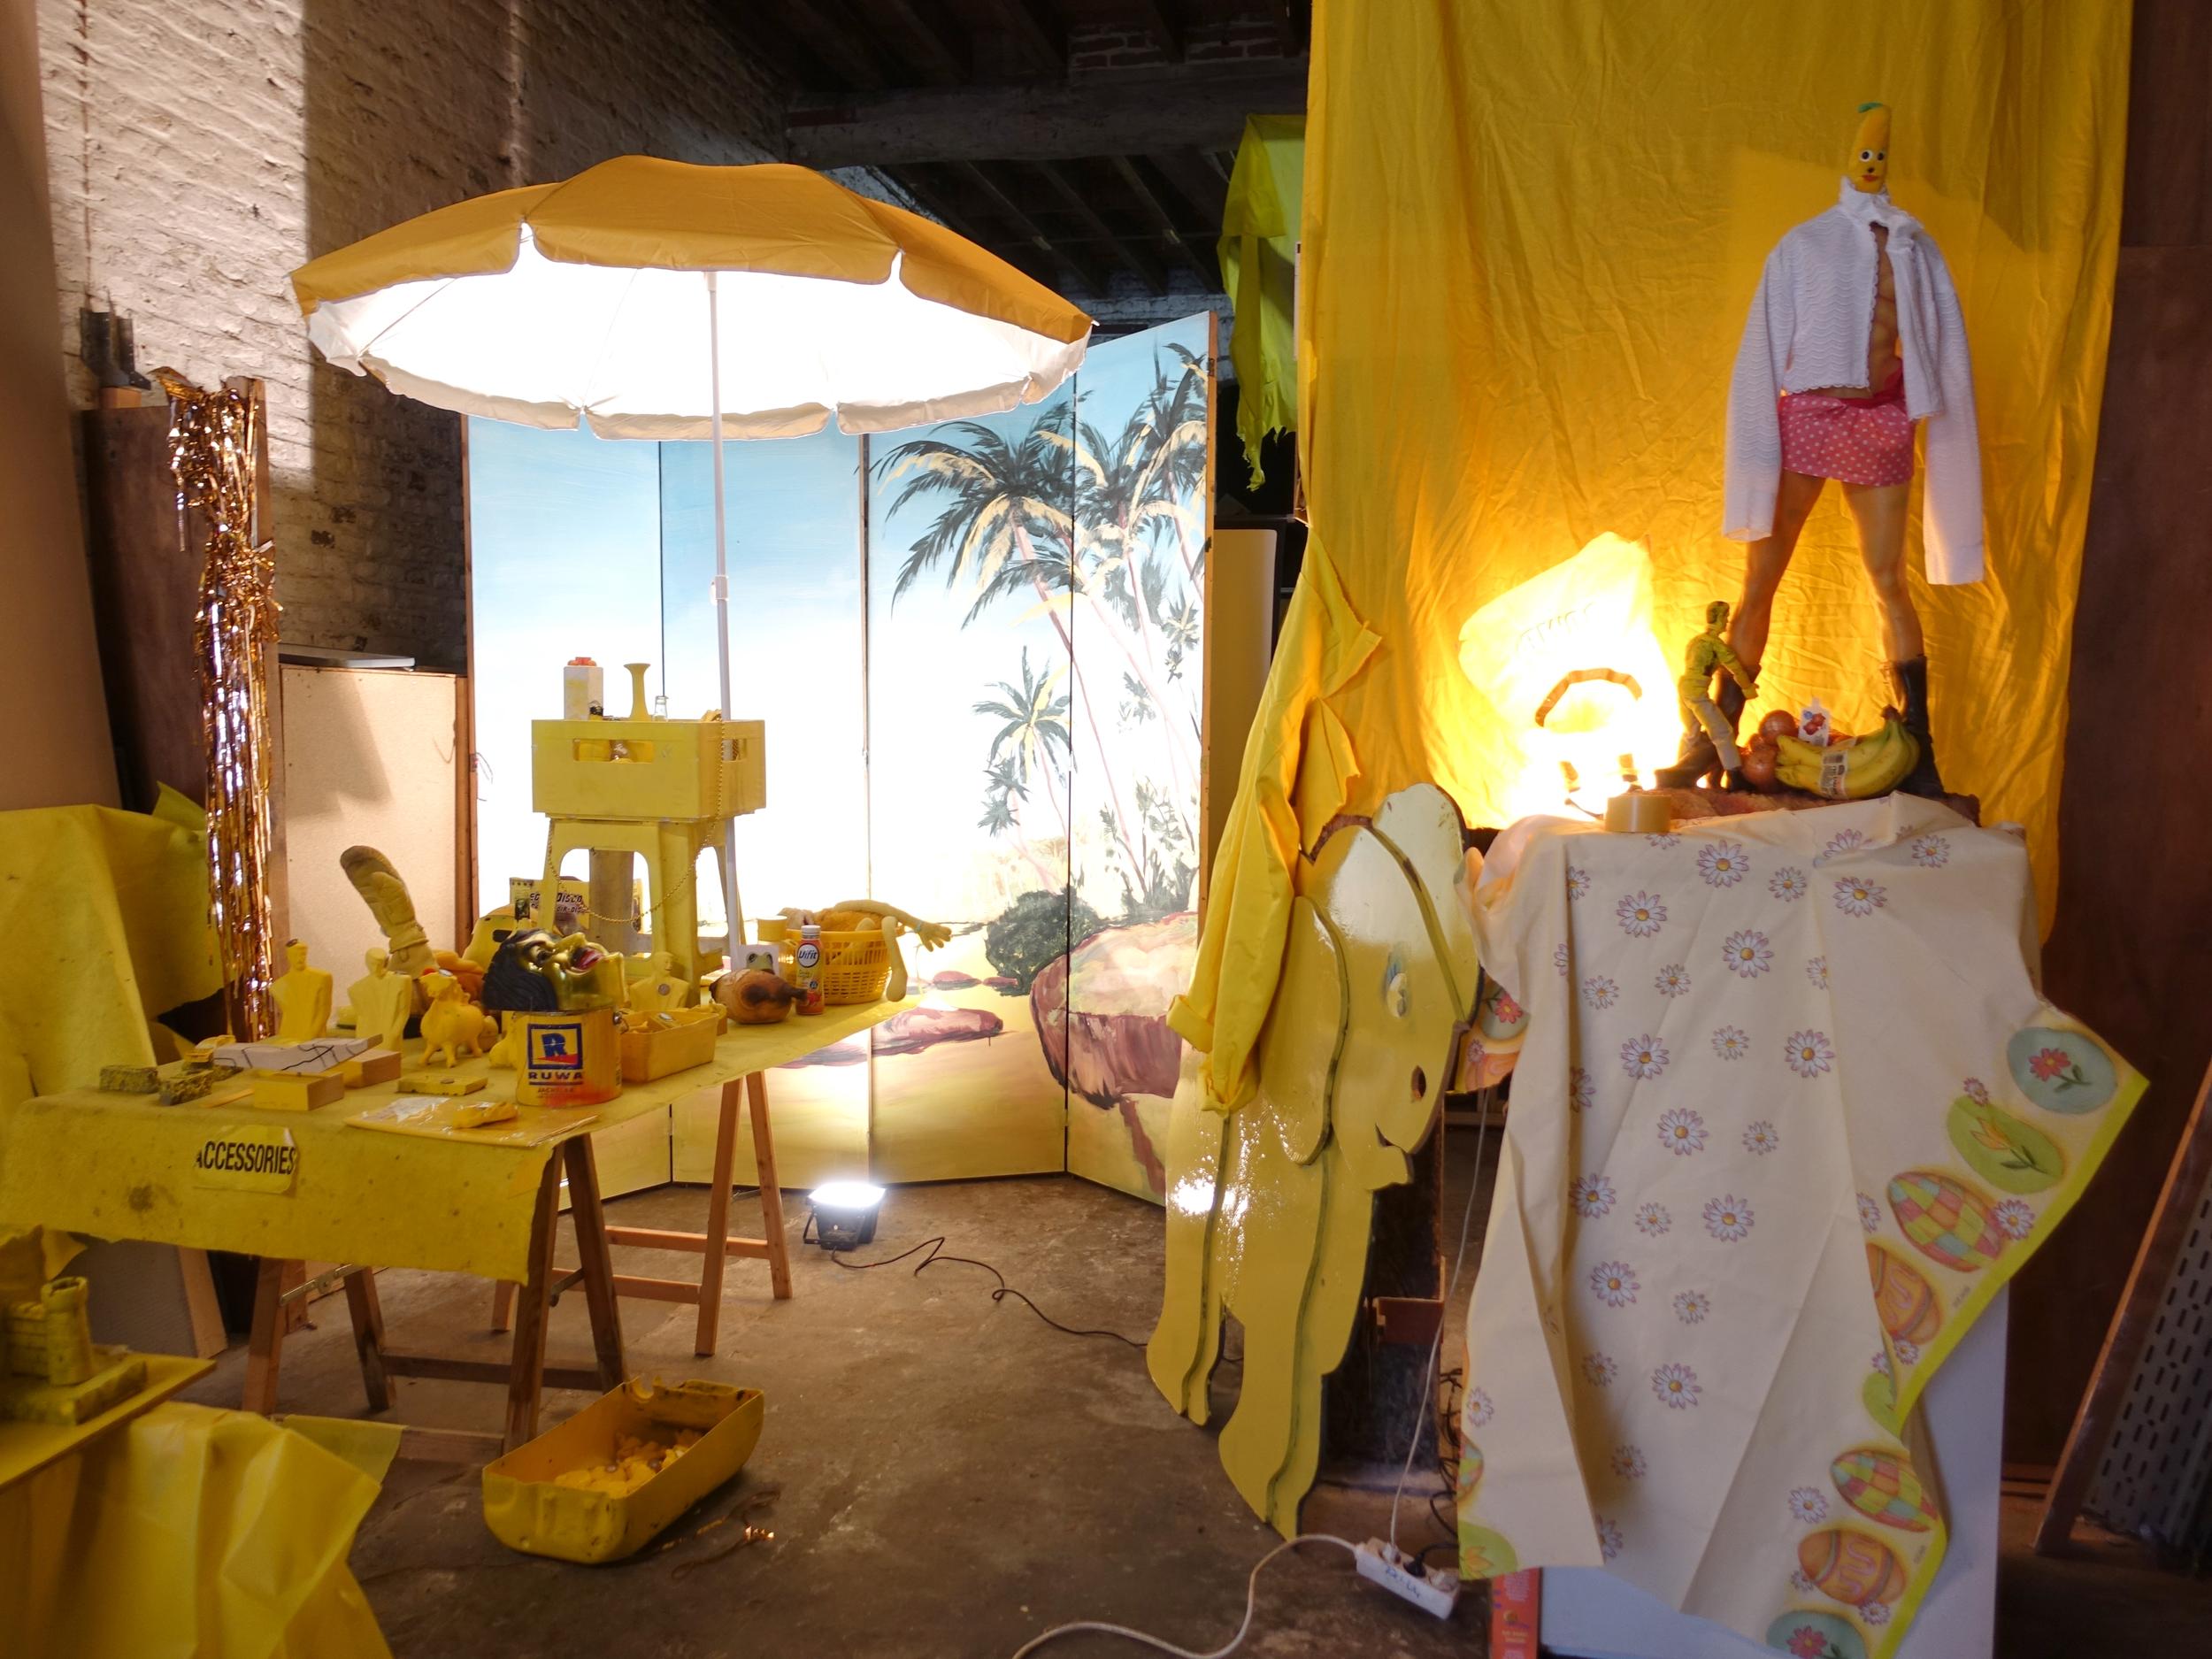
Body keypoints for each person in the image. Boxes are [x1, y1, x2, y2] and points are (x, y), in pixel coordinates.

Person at [1720, 103, 1982, 798]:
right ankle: (1711, 739)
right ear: (1851, 163)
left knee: (1890, 578)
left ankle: (1919, 746)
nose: (1871, 167)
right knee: (1760, 581)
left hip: (1881, 419)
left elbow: (1945, 343)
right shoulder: (1805, 245)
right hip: (1809, 413)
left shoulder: (1916, 251)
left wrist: (1936, 406)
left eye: (1879, 158)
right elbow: (1761, 347)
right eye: (1864, 156)